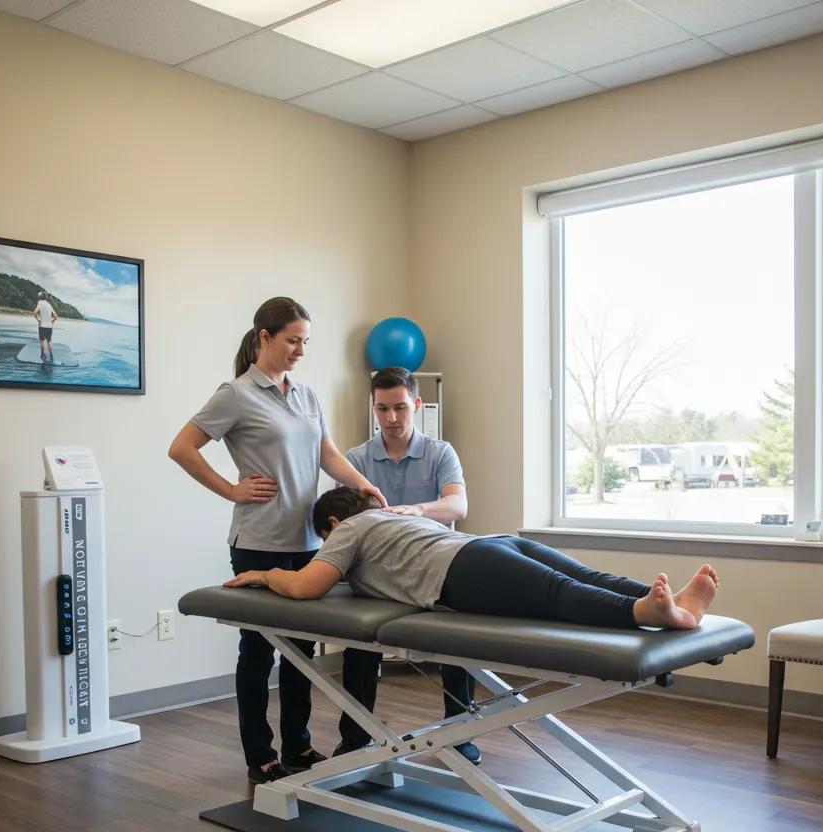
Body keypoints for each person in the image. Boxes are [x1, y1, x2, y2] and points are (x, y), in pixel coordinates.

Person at [169, 298, 387, 785]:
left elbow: (326, 453)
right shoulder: (236, 394)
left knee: (300, 651)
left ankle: (298, 745)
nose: (299, 350)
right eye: (292, 340)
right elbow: (181, 447)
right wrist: (230, 488)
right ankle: (261, 755)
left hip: (309, 541)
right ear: (263, 338)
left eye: (305, 341)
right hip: (259, 542)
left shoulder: (306, 395)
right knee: (258, 650)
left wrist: (363, 487)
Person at [226, 487, 720, 640]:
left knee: (558, 596)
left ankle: (648, 613)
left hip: (461, 572)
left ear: (333, 522)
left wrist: (267, 573)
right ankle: (665, 600)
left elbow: (310, 586)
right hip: (494, 544)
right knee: (583, 576)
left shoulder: (351, 528)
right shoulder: (394, 518)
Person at [337, 367, 480, 761]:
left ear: (417, 405)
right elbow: (344, 523)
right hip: (378, 578)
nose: (392, 418)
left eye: (400, 407)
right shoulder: (356, 460)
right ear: (374, 407)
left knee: (456, 643)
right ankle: (355, 738)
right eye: (382, 409)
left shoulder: (440, 452)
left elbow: (458, 506)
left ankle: (460, 732)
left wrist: (417, 509)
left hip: (437, 569)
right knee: (358, 646)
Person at [33, 291, 57, 362]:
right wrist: (52, 321)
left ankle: (43, 355)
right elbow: (56, 316)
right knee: (49, 341)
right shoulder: (49, 304)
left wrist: (38, 319)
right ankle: (51, 355)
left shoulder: (40, 302)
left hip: (42, 326)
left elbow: (34, 312)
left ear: (40, 297)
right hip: (49, 326)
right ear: (46, 297)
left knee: (42, 341)